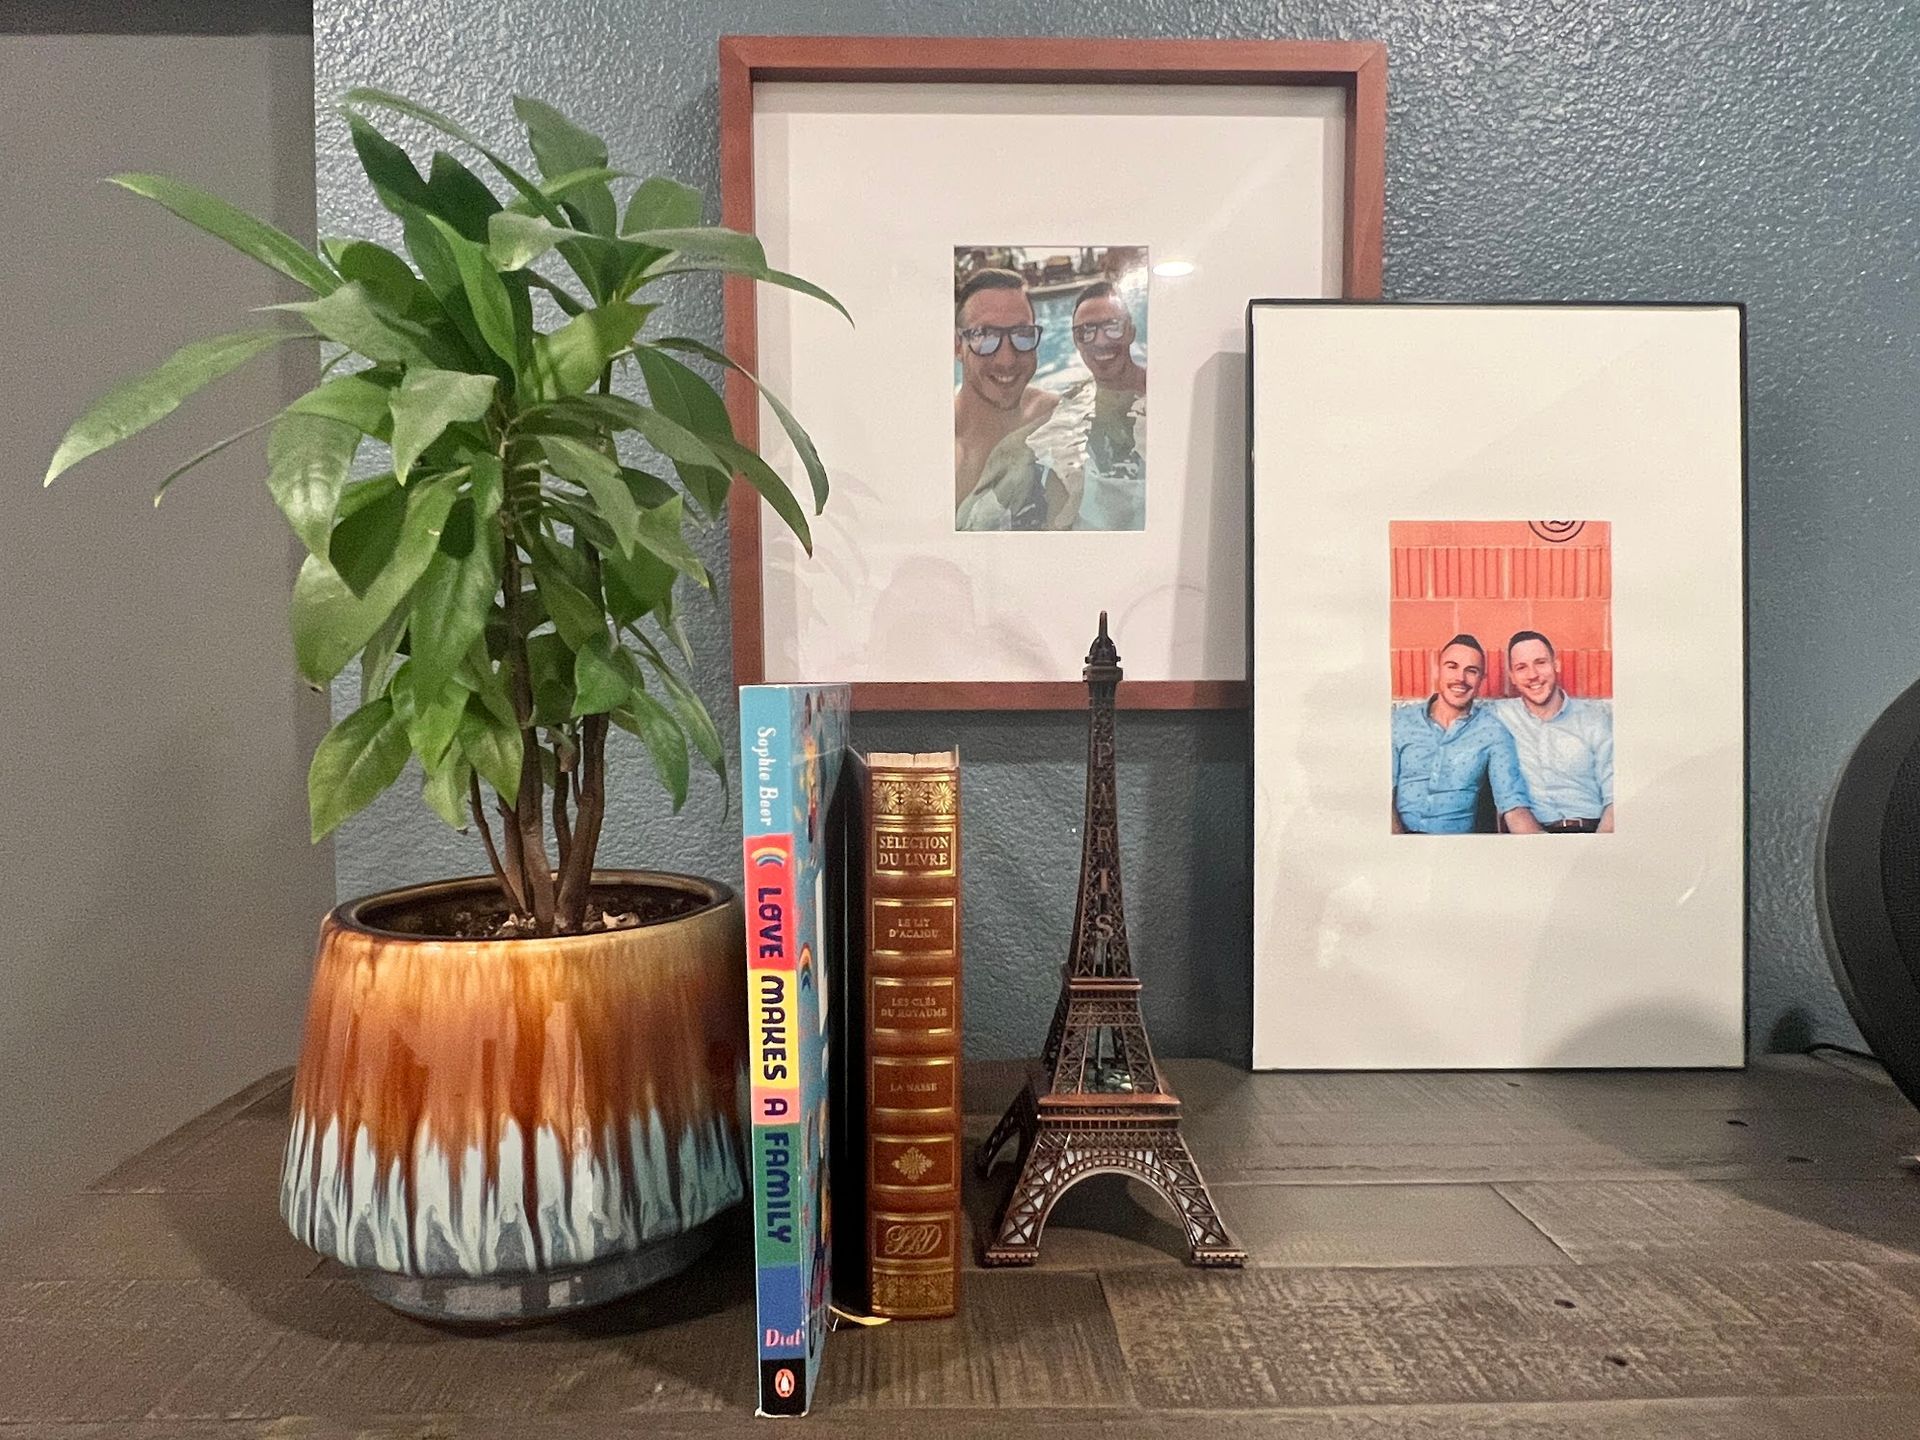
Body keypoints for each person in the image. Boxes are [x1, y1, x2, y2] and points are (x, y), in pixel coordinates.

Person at [1019, 280, 1148, 531]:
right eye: (1085, 331)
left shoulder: (1163, 393)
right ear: (1076, 342)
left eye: (1112, 327)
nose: (1098, 341)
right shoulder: (1077, 399)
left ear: (1131, 331)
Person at [1391, 634, 1545, 835]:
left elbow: (1513, 805)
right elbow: (1380, 795)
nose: (1460, 679)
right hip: (1399, 844)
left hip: (1457, 850)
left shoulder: (1492, 732)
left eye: (1471, 671)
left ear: (1482, 678)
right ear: (1437, 670)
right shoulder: (1400, 722)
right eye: (1452, 666)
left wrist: (1546, 848)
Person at [952, 268, 1058, 522]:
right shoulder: (950, 460)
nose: (1007, 360)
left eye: (1022, 335)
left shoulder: (1051, 412)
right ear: (958, 346)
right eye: (985, 336)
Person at [1489, 630, 1615, 833]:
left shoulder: (1593, 719)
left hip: (1591, 831)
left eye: (1540, 662)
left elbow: (1616, 794)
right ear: (1512, 677)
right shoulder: (1500, 716)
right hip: (1535, 837)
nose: (1532, 675)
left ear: (1556, 665)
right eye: (1521, 667)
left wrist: (1600, 846)